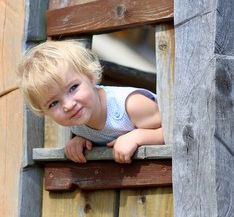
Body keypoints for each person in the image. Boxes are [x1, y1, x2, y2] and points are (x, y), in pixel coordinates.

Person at [18, 40, 164, 164]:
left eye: (73, 88)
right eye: (53, 103)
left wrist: (137, 137)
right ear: (43, 112)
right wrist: (82, 140)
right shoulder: (78, 123)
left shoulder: (131, 105)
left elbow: (173, 131)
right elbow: (102, 135)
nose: (68, 105)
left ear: (90, 77)